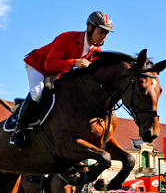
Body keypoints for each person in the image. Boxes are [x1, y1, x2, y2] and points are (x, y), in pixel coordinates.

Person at [9, 11, 114, 151]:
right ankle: (18, 131)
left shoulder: (97, 51)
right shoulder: (67, 37)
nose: (103, 37)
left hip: (58, 74)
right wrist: (74, 62)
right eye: (101, 32)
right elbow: (49, 65)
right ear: (90, 27)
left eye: (106, 33)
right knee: (37, 93)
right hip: (39, 66)